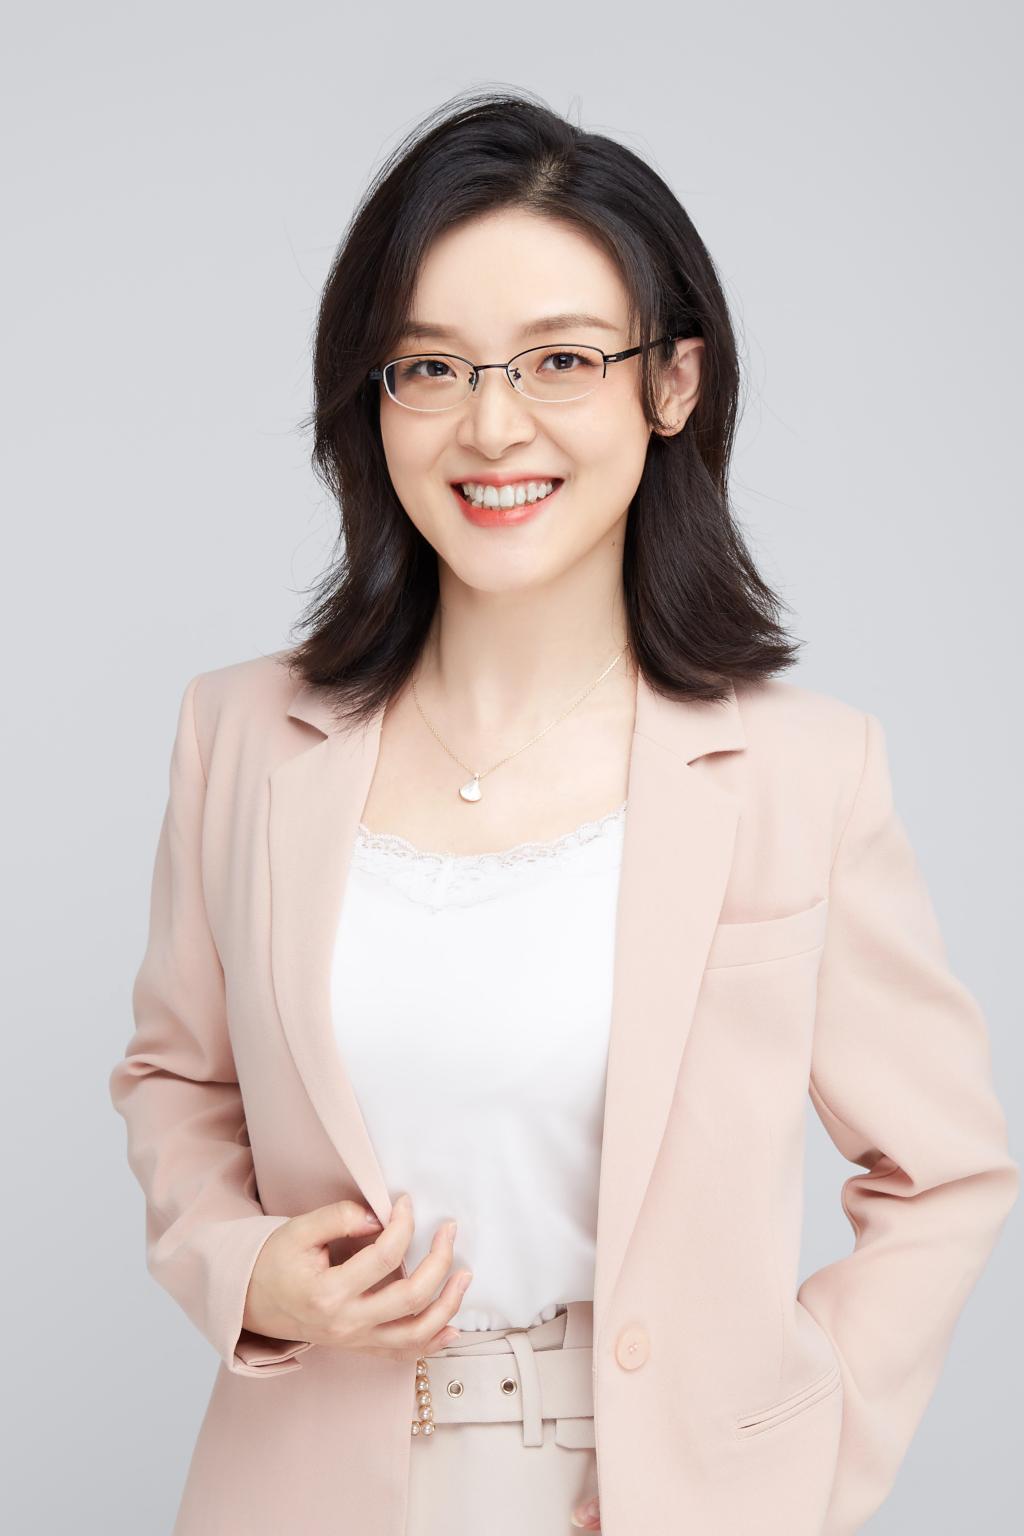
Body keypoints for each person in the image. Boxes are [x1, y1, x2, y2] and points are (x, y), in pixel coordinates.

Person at [109, 88, 1018, 1536]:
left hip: (642, 1496)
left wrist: (773, 1482)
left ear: (673, 384)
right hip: (298, 1490)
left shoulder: (804, 772)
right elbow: (177, 1080)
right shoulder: (239, 739)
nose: (492, 425)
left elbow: (946, 1172)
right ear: (372, 398)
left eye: (562, 360)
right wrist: (241, 1266)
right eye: (431, 367)